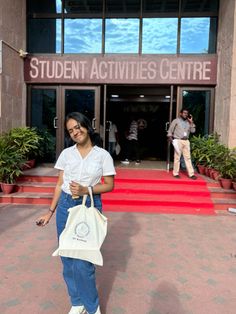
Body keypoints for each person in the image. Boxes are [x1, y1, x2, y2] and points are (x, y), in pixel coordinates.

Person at [36, 112, 116, 314]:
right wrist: (50, 212)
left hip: (89, 205)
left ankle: (92, 307)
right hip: (65, 206)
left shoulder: (102, 155)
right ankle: (77, 302)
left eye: (77, 126)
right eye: (70, 130)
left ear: (87, 127)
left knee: (83, 261)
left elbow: (109, 185)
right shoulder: (66, 154)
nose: (75, 131)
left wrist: (85, 190)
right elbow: (59, 184)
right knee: (68, 259)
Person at [167, 108, 197, 179]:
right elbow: (170, 130)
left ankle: (191, 174)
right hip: (178, 140)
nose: (185, 114)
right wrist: (171, 138)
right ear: (181, 113)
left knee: (188, 157)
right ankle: (176, 173)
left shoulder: (188, 122)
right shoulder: (176, 121)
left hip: (186, 141)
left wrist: (191, 122)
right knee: (177, 157)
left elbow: (193, 131)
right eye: (184, 113)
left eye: (186, 113)